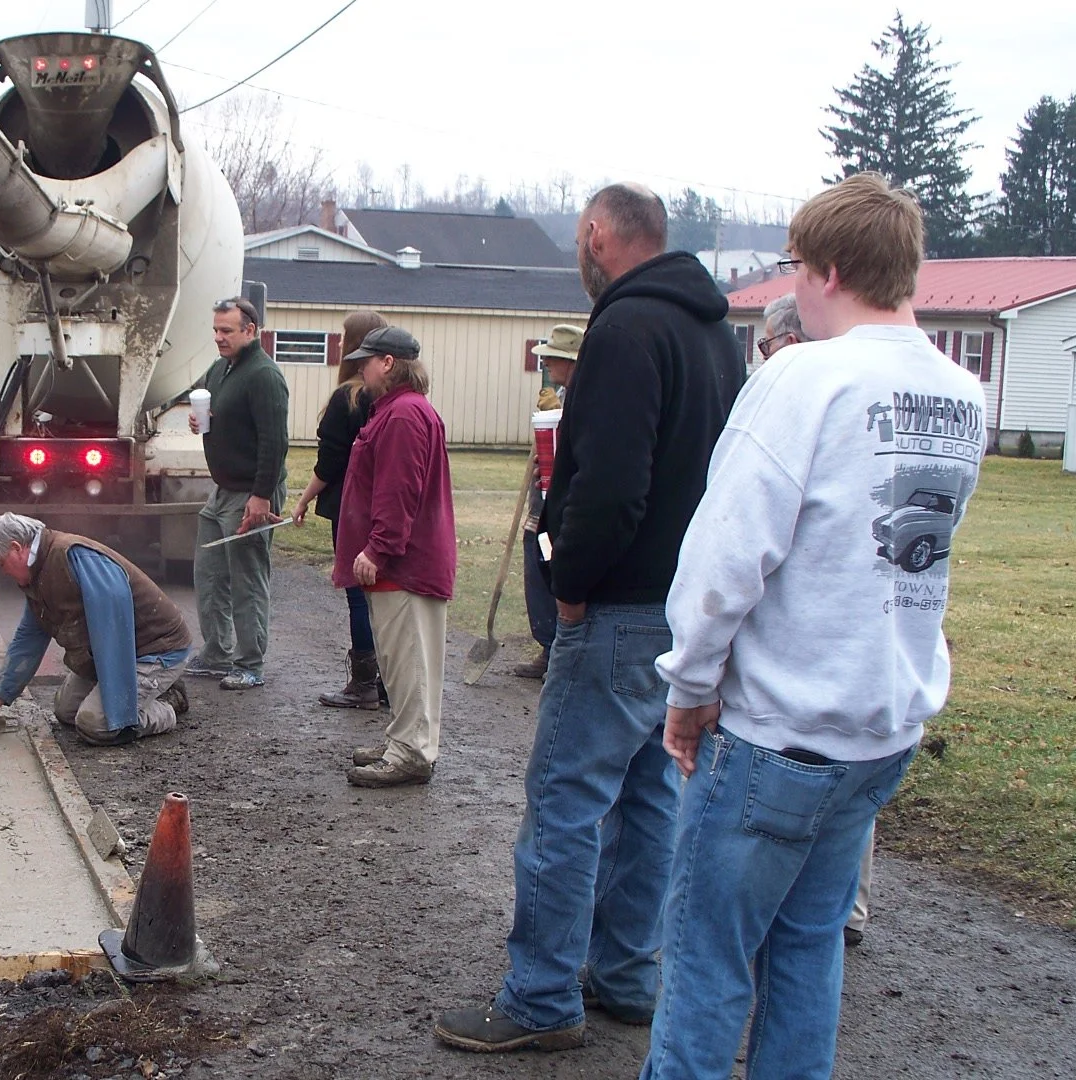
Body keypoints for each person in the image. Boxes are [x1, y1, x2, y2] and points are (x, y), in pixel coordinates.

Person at [643, 173, 984, 1079]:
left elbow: (725, 559)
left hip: (776, 735)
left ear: (828, 268)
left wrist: (689, 689)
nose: (792, 286)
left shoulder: (805, 377)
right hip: (880, 731)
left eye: (796, 266)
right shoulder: (962, 394)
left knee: (707, 961)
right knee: (807, 948)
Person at [435, 183, 745, 1053]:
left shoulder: (622, 328)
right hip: (687, 612)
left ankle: (539, 999)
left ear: (598, 235)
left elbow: (610, 486)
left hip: (617, 609)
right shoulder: (716, 334)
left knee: (566, 800)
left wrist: (570, 581)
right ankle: (626, 974)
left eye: (582, 240)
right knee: (650, 797)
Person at [758, 292, 877, 949]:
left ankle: (827, 906)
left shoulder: (803, 403)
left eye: (770, 347)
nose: (768, 359)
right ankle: (842, 907)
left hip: (817, 634)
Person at [331, 327, 456, 787]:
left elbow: (397, 491)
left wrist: (378, 548)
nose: (360, 369)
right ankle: (404, 738)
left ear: (387, 363)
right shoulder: (399, 411)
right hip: (401, 562)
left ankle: (414, 750)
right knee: (399, 660)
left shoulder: (403, 415)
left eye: (366, 361)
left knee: (411, 660)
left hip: (405, 564)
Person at [0, 513, 192, 745]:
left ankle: (168, 705)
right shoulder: (38, 574)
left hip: (154, 651)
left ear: (17, 548)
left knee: (99, 725)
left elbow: (113, 629)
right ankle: (147, 693)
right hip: (117, 653)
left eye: (2, 563)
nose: (3, 571)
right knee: (66, 712)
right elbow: (28, 639)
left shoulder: (71, 556)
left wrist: (119, 708)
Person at [187, 297, 290, 691]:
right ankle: (217, 653)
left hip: (251, 491)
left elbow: (274, 441)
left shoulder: (264, 376)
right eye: (215, 330)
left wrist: (261, 496)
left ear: (251, 330)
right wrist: (201, 420)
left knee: (247, 578)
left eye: (227, 330)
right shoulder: (220, 370)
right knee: (209, 574)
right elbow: (216, 413)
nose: (218, 337)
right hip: (221, 490)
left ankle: (250, 663)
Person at [292, 310, 390, 709]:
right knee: (382, 596)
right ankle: (387, 681)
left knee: (357, 595)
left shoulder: (346, 397)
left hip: (351, 509)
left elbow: (329, 464)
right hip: (383, 506)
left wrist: (303, 498)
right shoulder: (390, 399)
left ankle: (364, 684)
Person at [512, 323, 583, 680]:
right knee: (536, 566)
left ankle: (560, 649)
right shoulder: (560, 397)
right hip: (541, 505)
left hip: (561, 508)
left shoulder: (585, 398)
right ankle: (547, 646)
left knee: (552, 569)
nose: (548, 366)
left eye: (552, 359)